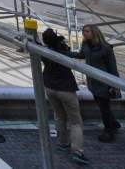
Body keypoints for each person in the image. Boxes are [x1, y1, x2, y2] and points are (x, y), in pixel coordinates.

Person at [41, 28, 88, 164]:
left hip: (50, 88)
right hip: (66, 90)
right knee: (76, 122)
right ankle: (78, 152)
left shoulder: (44, 53)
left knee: (59, 115)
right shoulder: (63, 54)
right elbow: (81, 55)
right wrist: (84, 42)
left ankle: (63, 143)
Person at [68, 24, 121, 143]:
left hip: (104, 83)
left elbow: (112, 67)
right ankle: (114, 124)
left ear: (95, 33)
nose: (85, 33)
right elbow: (82, 55)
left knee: (104, 108)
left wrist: (115, 85)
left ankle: (109, 132)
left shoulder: (106, 48)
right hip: (93, 82)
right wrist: (67, 53)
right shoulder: (86, 45)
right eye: (84, 31)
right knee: (102, 105)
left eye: (88, 31)